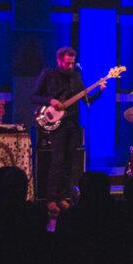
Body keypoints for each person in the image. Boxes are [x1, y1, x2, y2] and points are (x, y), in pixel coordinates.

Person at [32, 47, 105, 210]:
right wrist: (50, 101)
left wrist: (99, 91)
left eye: (72, 63)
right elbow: (34, 96)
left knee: (70, 162)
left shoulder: (77, 76)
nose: (70, 66)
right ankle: (51, 198)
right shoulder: (49, 74)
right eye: (67, 63)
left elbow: (87, 100)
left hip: (72, 123)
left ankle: (64, 196)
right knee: (57, 160)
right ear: (59, 61)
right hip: (57, 124)